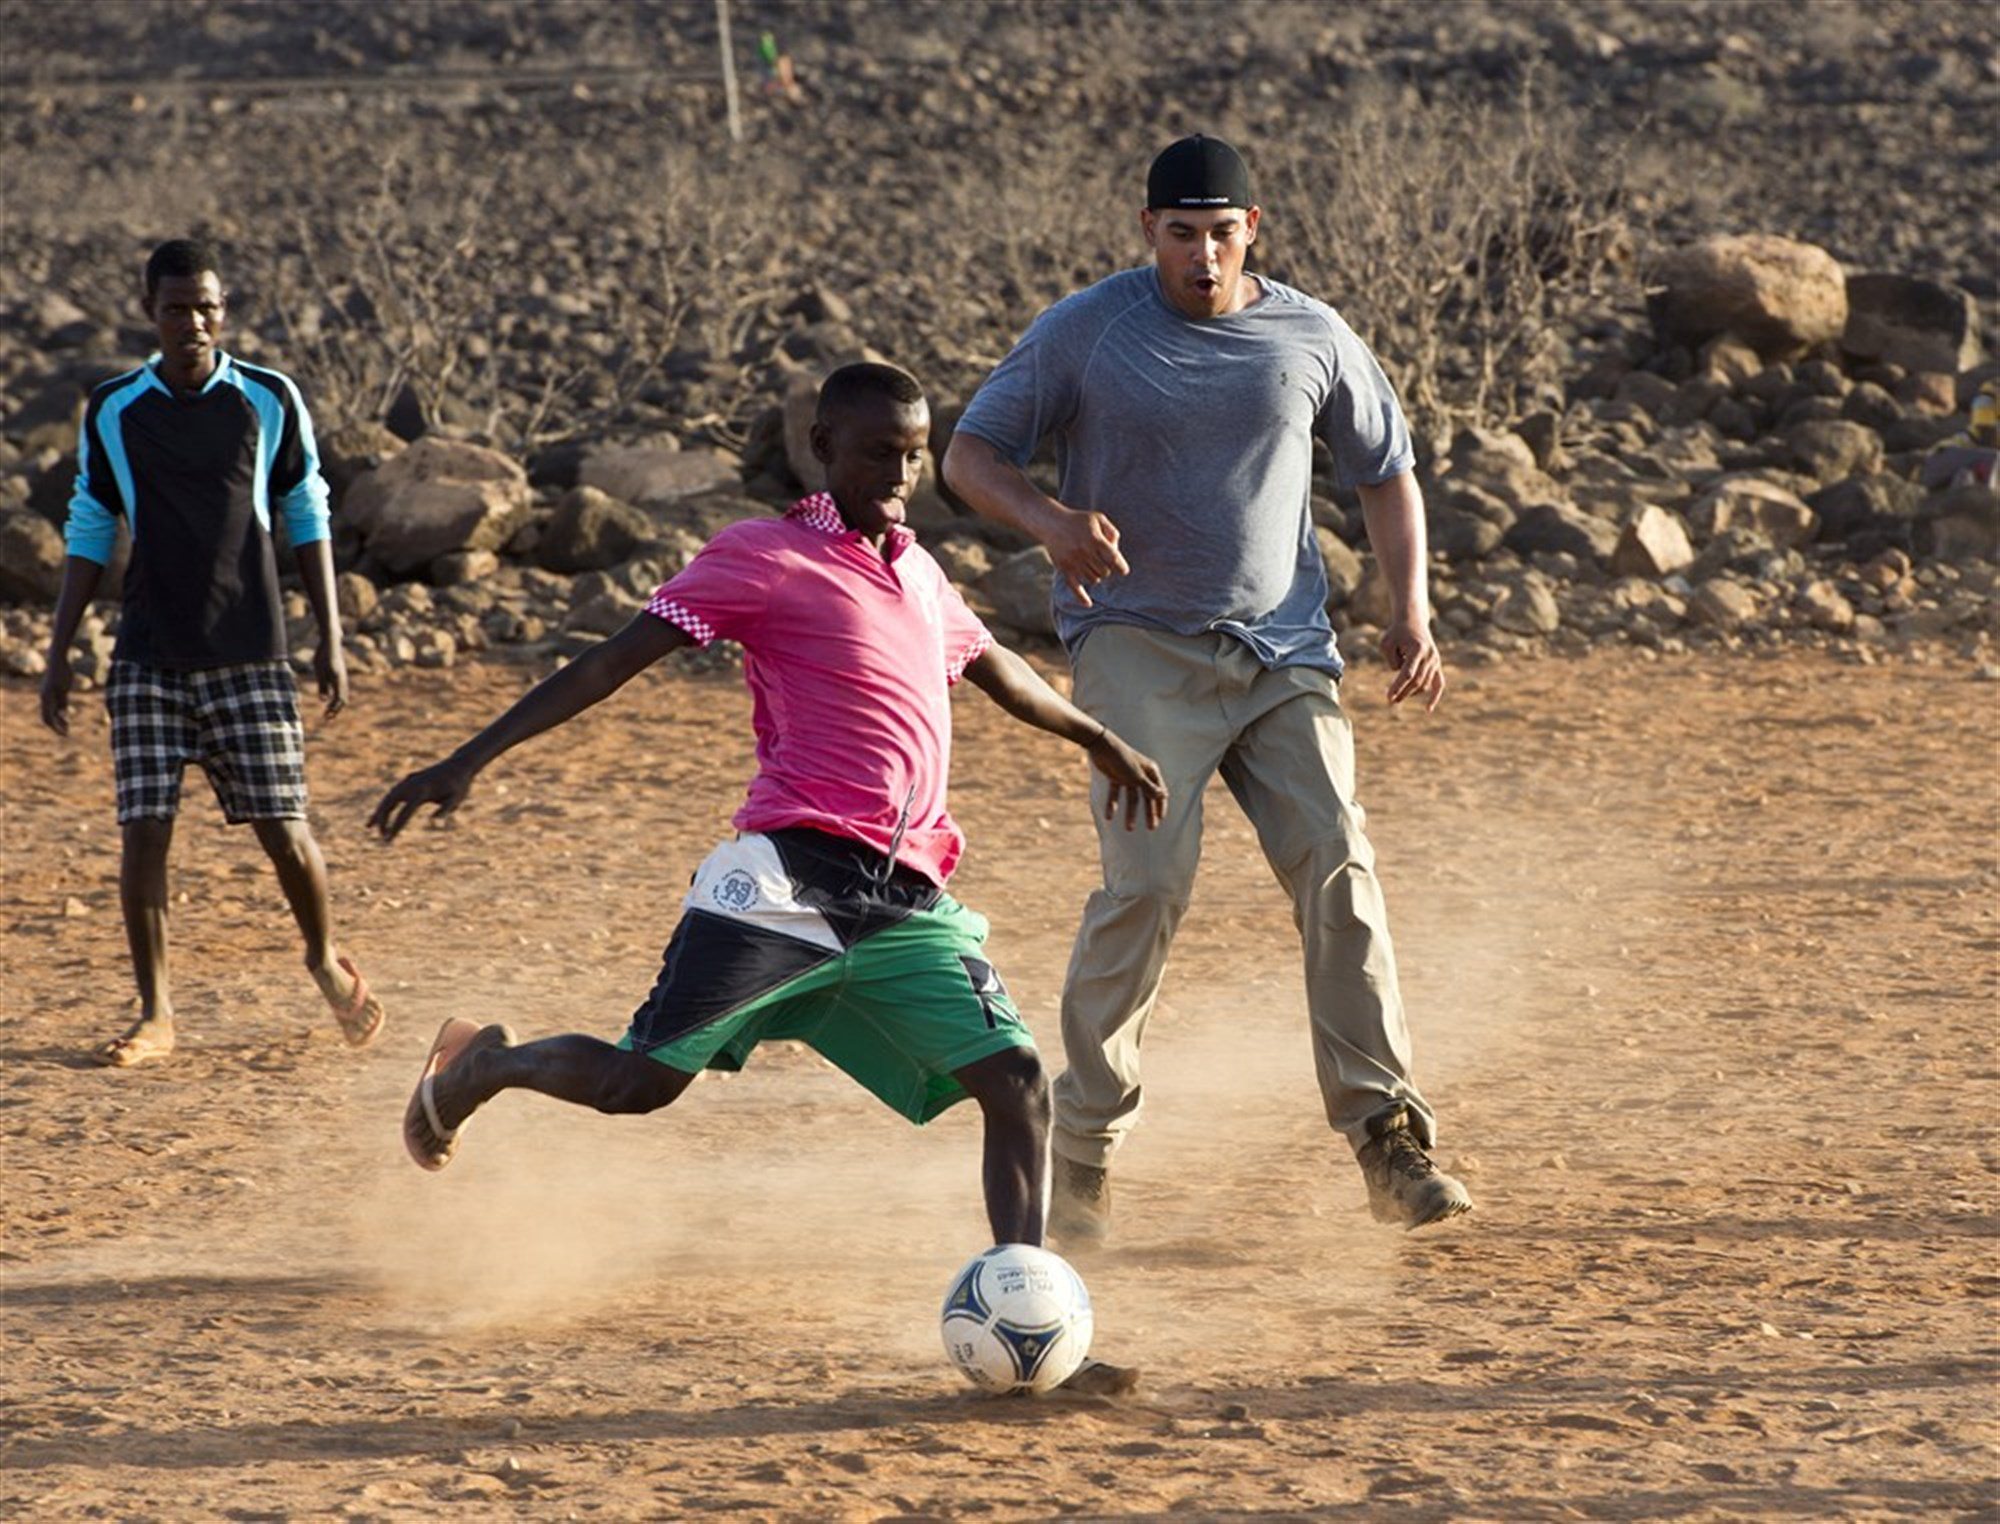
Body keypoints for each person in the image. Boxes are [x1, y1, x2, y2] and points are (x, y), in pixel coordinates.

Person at [370, 363, 1166, 1390]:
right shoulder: (763, 556)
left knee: (1014, 1085)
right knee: (636, 1086)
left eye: (915, 452)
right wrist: (468, 758)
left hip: (901, 897)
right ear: (821, 449)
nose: (898, 472)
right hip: (784, 880)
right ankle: (483, 1066)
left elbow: (993, 670)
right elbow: (612, 660)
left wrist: (1095, 736)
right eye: (876, 451)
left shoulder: (918, 571)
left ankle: (1042, 1338)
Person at [942, 135, 1474, 1235]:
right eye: (1179, 233)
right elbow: (968, 454)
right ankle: (1078, 1160)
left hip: (1281, 655)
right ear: (1146, 232)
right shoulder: (1084, 331)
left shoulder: (1310, 333)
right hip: (1135, 646)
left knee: (1337, 864)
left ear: (1253, 230)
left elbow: (1386, 473)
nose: (1201, 254)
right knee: (1144, 887)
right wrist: (1049, 521)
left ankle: (1387, 1138)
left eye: (1220, 233)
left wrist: (1408, 609)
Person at [38, 237, 385, 1067]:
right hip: (148, 656)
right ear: (149, 312)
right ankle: (156, 1012)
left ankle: (322, 958)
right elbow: (92, 524)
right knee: (143, 831)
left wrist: (330, 637)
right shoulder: (116, 407)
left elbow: (306, 509)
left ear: (222, 311)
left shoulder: (267, 399)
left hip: (251, 653)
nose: (193, 321)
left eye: (207, 307)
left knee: (285, 828)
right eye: (176, 308)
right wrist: (57, 651)